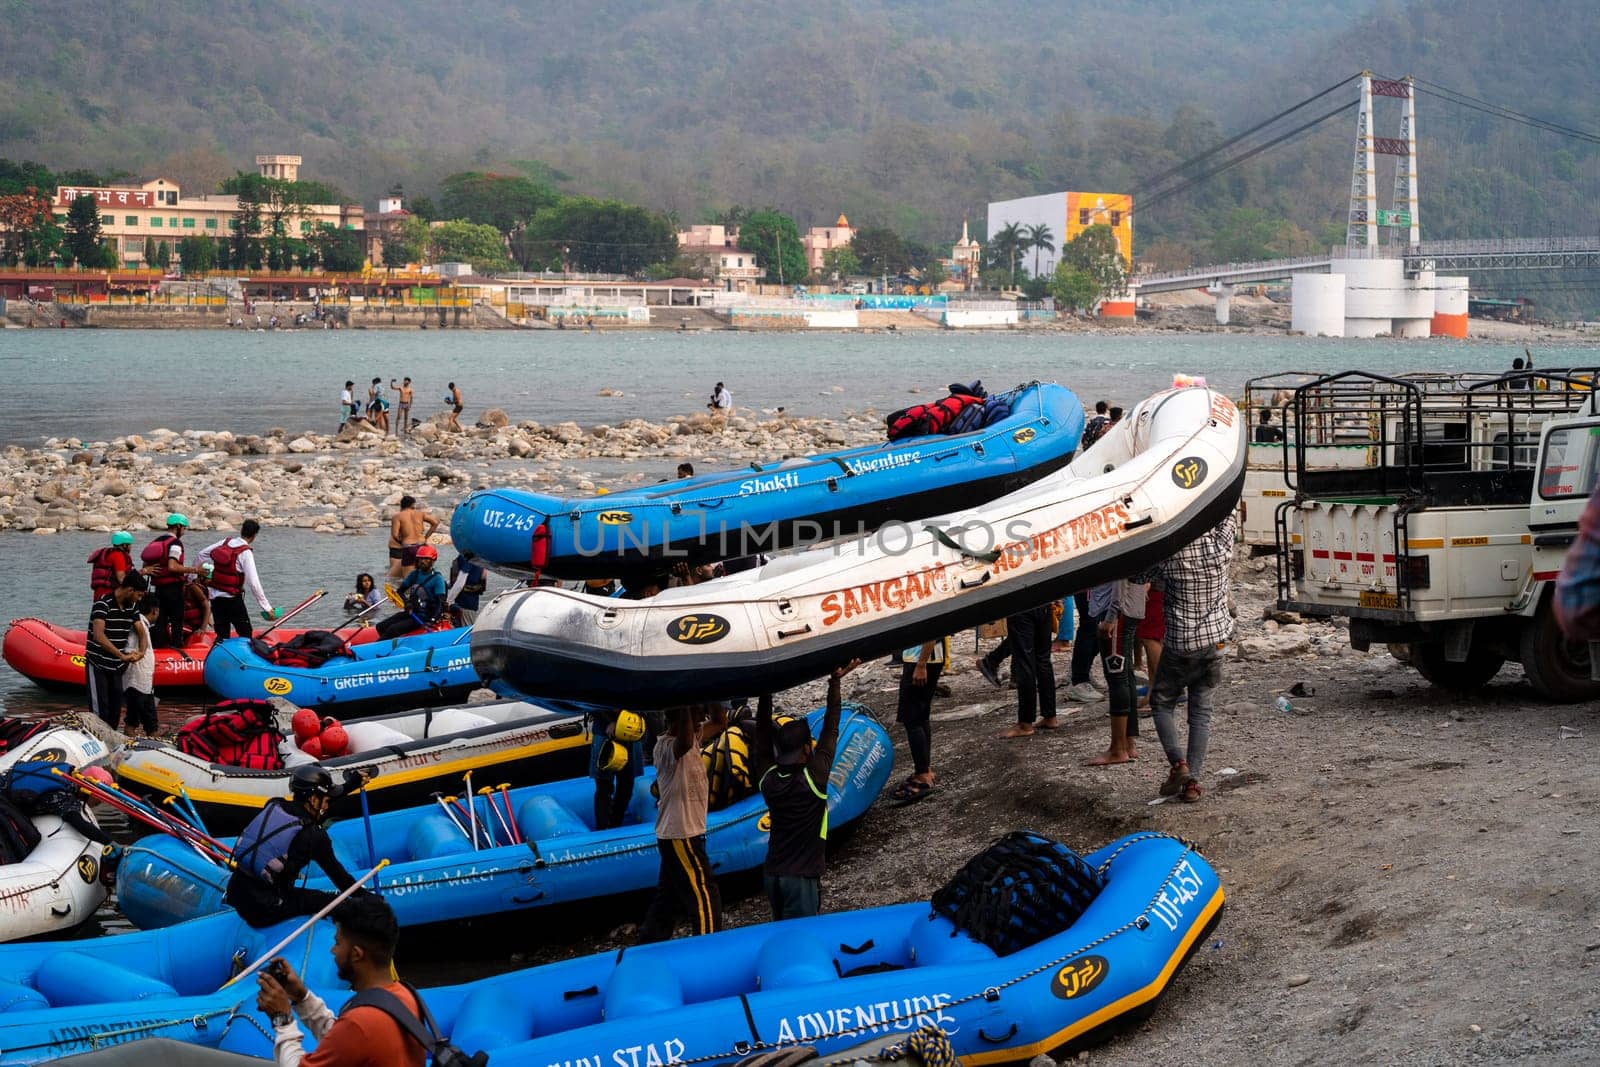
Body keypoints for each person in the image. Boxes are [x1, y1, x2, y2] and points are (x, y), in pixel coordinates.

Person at [1132, 514, 1237, 804]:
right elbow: (1227, 513)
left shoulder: (1171, 552)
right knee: (1201, 712)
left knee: (1162, 703)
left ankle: (1179, 766)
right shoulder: (1221, 546)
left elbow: (1137, 576)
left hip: (1181, 643)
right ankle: (1192, 785)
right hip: (1216, 641)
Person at [256, 894, 426, 1067]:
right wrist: (302, 997)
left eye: (337, 942)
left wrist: (282, 1019)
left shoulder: (359, 1023)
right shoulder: (407, 996)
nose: (332, 950)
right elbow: (348, 1042)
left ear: (356, 954)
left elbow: (354, 1034)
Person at [752, 660, 859, 920]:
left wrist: (765, 691)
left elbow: (762, 737)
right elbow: (831, 728)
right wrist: (835, 682)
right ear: (805, 751)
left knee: (783, 935)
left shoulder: (768, 779)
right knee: (802, 938)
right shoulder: (813, 778)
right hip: (799, 879)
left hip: (773, 874)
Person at [226, 765, 364, 928]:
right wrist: (369, 899)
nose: (327, 807)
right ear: (313, 800)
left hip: (236, 891)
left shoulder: (274, 804)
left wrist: (352, 784)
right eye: (326, 801)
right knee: (327, 901)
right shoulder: (314, 837)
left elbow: (313, 803)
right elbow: (341, 880)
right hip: (264, 909)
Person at [638, 704, 721, 941]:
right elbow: (682, 742)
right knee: (705, 893)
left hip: (678, 834)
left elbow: (719, 721)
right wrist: (685, 699)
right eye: (697, 713)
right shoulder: (664, 746)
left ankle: (649, 942)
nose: (702, 717)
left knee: (668, 897)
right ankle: (710, 943)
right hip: (681, 835)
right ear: (679, 717)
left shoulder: (694, 735)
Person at [1085, 578, 1145, 766]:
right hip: (1129, 607)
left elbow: (1121, 575)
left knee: (1117, 677)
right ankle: (1128, 742)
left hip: (1116, 611)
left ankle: (1117, 749)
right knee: (1125, 676)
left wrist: (1111, 616)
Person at [85, 573, 147, 728]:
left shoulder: (132, 606)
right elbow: (98, 636)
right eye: (138, 595)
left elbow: (141, 631)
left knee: (115, 710)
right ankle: (98, 739)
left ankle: (111, 741)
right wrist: (121, 655)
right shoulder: (103, 604)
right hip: (98, 663)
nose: (139, 599)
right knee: (100, 710)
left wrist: (141, 652)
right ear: (130, 590)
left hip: (116, 666)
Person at [198, 519, 276, 641]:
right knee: (245, 633)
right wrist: (266, 607)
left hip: (215, 597)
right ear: (254, 535)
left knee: (222, 635)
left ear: (241, 530)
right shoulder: (245, 552)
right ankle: (244, 659)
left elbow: (201, 554)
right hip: (232, 600)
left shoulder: (225, 542)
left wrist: (194, 575)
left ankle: (219, 657)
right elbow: (254, 583)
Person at [891, 639, 947, 803]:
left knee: (912, 719)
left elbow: (933, 630)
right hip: (923, 658)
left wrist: (921, 664)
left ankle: (922, 775)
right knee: (921, 717)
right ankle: (925, 770)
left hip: (922, 659)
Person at [143, 513, 205, 648]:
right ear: (178, 526)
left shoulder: (157, 541)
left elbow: (145, 566)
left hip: (158, 588)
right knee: (177, 620)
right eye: (184, 528)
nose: (184, 531)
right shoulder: (175, 543)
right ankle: (177, 648)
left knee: (160, 620)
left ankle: (158, 647)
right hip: (173, 588)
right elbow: (172, 566)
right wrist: (195, 570)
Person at [999, 602, 1058, 738]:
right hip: (1044, 603)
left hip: (1021, 605)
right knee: (1043, 660)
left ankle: (1025, 723)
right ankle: (1050, 716)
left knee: (1025, 663)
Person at [374, 545, 446, 640]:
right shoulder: (415, 574)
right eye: (420, 559)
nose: (422, 561)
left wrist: (432, 620)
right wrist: (406, 602)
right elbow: (400, 591)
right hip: (412, 613)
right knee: (380, 626)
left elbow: (441, 604)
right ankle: (385, 646)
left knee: (393, 629)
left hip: (425, 617)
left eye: (426, 559)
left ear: (432, 561)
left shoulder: (437, 579)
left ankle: (378, 648)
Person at [589, 709, 643, 831]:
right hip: (605, 733)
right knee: (604, 787)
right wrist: (612, 721)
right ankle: (603, 830)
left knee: (626, 786)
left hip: (631, 733)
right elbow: (590, 702)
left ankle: (615, 824)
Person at [122, 593, 161, 736]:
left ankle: (154, 746)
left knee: (151, 722)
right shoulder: (138, 627)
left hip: (144, 684)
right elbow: (129, 651)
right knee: (132, 721)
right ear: (154, 610)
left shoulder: (143, 625)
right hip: (136, 683)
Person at [386, 496, 439, 581]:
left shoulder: (397, 516)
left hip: (409, 547)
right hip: (422, 547)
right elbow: (435, 523)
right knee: (425, 575)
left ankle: (409, 593)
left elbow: (395, 535)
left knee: (408, 579)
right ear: (413, 504)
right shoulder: (420, 513)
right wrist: (426, 537)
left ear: (401, 505)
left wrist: (402, 543)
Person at [1063, 591, 1101, 703]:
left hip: (1100, 584)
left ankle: (1083, 672)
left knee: (1098, 624)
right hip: (1089, 582)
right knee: (1090, 623)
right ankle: (1079, 680)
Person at [87, 531, 135, 601]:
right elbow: (121, 579)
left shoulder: (107, 554)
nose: (131, 547)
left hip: (98, 595)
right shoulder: (118, 556)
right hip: (109, 595)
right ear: (125, 545)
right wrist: (142, 573)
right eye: (130, 545)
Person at [446, 550, 487, 625]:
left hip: (465, 604)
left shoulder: (467, 557)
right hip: (471, 603)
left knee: (466, 631)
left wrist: (448, 601)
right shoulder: (478, 556)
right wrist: (445, 584)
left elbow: (460, 582)